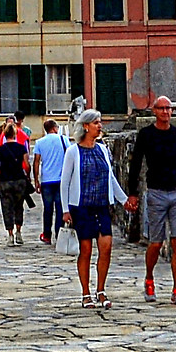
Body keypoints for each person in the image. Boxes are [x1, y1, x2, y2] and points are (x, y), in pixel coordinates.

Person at [126, 94, 176, 306]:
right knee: (156, 242)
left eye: (169, 108)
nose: (165, 112)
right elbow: (136, 163)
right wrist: (133, 192)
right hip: (156, 193)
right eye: (162, 108)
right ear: (154, 111)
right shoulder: (146, 135)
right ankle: (149, 278)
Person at [58, 108, 126, 310]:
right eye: (96, 122)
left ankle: (101, 289)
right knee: (86, 249)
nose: (100, 126)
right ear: (86, 126)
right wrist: (65, 209)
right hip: (82, 207)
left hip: (102, 205)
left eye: (100, 122)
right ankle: (86, 292)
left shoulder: (103, 150)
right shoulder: (73, 151)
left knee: (106, 247)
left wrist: (123, 200)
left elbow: (110, 178)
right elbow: (65, 181)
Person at [0, 121, 32, 243]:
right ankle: (19, 232)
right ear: (15, 134)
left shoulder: (0, 149)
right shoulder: (21, 148)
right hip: (19, 179)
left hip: (5, 180)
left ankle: (10, 235)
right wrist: (28, 175)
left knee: (6, 207)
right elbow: (27, 165)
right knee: (19, 206)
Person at [29, 118, 68, 245]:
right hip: (61, 179)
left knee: (48, 209)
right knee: (60, 208)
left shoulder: (40, 142)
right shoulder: (64, 140)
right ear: (55, 128)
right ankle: (59, 233)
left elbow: (36, 162)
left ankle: (46, 234)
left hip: (47, 180)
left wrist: (36, 180)